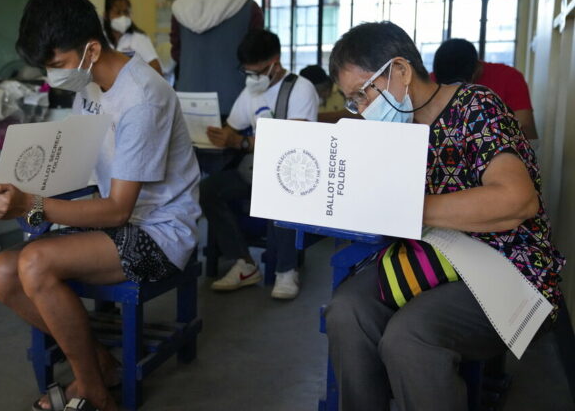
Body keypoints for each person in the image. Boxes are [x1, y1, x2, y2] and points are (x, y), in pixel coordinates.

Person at [0, 0, 201, 411]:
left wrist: (29, 204)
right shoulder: (89, 85)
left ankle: (93, 390)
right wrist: (17, 185)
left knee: (35, 263)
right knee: (0, 273)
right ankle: (99, 362)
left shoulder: (142, 97)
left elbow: (117, 210)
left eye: (57, 65)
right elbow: (75, 164)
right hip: (113, 219)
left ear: (91, 48)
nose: (53, 76)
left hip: (160, 230)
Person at [325, 22, 563, 410]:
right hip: (428, 258)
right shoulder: (394, 131)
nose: (365, 110)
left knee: (410, 337)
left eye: (365, 94)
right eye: (355, 101)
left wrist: (409, 208)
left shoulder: (476, 107)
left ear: (400, 70)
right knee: (347, 311)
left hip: (505, 263)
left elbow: (518, 201)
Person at [200, 29, 319, 299]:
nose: (252, 79)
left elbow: (295, 142)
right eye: (248, 73)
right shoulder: (251, 92)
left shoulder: (300, 90)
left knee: (281, 192)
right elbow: (232, 128)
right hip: (255, 172)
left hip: (291, 175)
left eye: (258, 72)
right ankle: (244, 263)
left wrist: (241, 143)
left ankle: (286, 271)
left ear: (275, 62)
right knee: (208, 190)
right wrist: (219, 135)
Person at [171, 0, 264, 116]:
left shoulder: (181, 6)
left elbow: (176, 53)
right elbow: (257, 57)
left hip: (187, 101)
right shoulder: (248, 6)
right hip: (234, 102)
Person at [432, 38, 538, 140]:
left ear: (476, 70)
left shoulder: (508, 78)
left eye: (459, 87)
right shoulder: (432, 80)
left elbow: (527, 130)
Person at [103, 0, 162, 75]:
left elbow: (157, 69)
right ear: (105, 15)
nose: (123, 17)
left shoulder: (139, 38)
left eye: (126, 12)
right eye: (118, 13)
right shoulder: (100, 38)